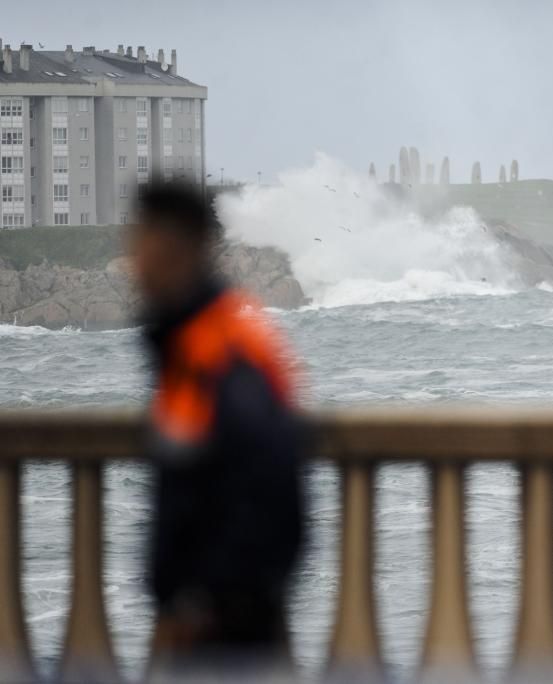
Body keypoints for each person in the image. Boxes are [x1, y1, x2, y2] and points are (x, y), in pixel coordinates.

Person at [129, 181, 304, 679]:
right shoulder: (192, 336)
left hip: (223, 617)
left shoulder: (218, 346)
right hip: (207, 609)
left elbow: (265, 479)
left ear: (176, 247)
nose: (133, 262)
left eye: (142, 243)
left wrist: (205, 600)